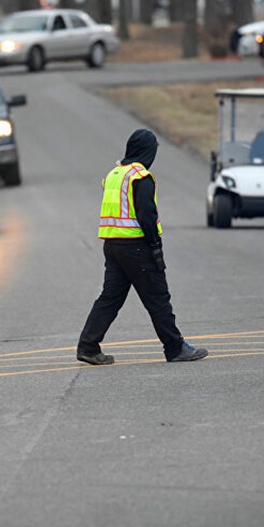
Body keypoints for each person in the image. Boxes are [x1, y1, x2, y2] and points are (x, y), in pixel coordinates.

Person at [77, 129, 208, 365]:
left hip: (112, 245)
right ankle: (175, 348)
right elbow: (147, 216)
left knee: (110, 298)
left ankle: (88, 346)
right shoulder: (141, 177)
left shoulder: (114, 174)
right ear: (148, 152)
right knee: (158, 297)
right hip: (136, 246)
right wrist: (155, 245)